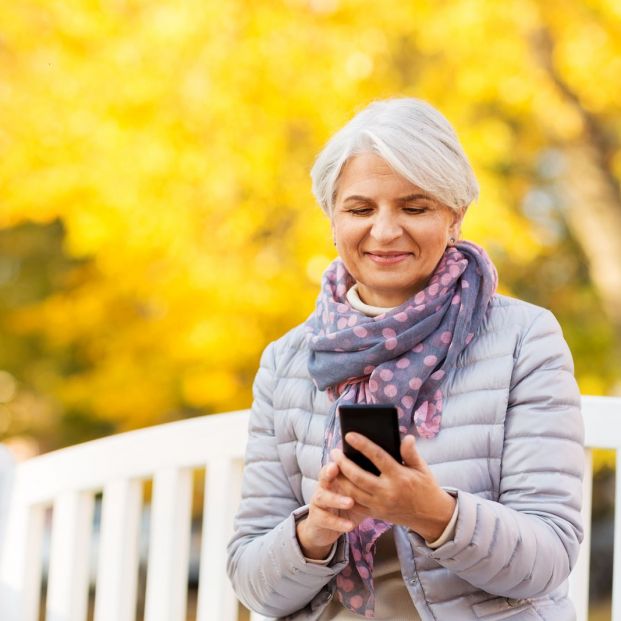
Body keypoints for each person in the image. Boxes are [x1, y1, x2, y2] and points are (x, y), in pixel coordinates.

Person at [226, 98, 584, 620]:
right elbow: (255, 588)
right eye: (360, 209)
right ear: (332, 218)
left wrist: (431, 513)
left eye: (414, 208)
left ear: (454, 215)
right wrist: (317, 530)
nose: (386, 230)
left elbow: (547, 560)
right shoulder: (287, 362)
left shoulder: (524, 339)